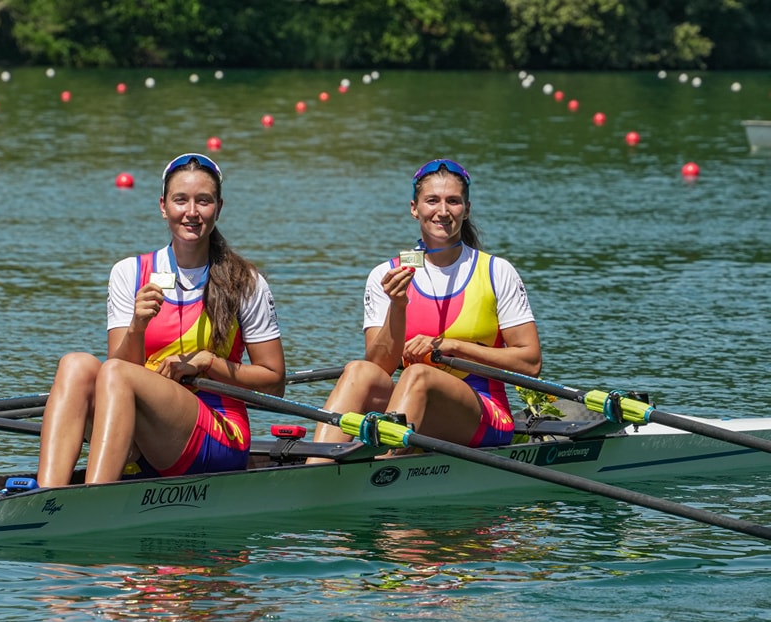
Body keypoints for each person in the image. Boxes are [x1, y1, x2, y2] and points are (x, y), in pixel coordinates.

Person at [37, 153, 285, 487]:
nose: (192, 213)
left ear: (219, 208)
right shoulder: (128, 273)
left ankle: (94, 498)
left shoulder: (246, 282)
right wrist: (137, 326)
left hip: (218, 432)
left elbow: (274, 382)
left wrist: (207, 362)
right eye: (180, 200)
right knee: (76, 365)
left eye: (204, 201)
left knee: (115, 372)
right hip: (146, 434)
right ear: (163, 206)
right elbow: (119, 371)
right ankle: (48, 494)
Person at [310, 159, 541, 456]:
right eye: (432, 201)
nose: (442, 211)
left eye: (453, 201)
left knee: (419, 375)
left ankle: (381, 468)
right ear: (414, 208)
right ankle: (316, 466)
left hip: (486, 414)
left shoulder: (497, 272)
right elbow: (380, 367)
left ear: (466, 210)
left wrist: (453, 347)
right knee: (358, 371)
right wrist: (397, 304)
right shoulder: (387, 274)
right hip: (413, 400)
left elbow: (531, 363)